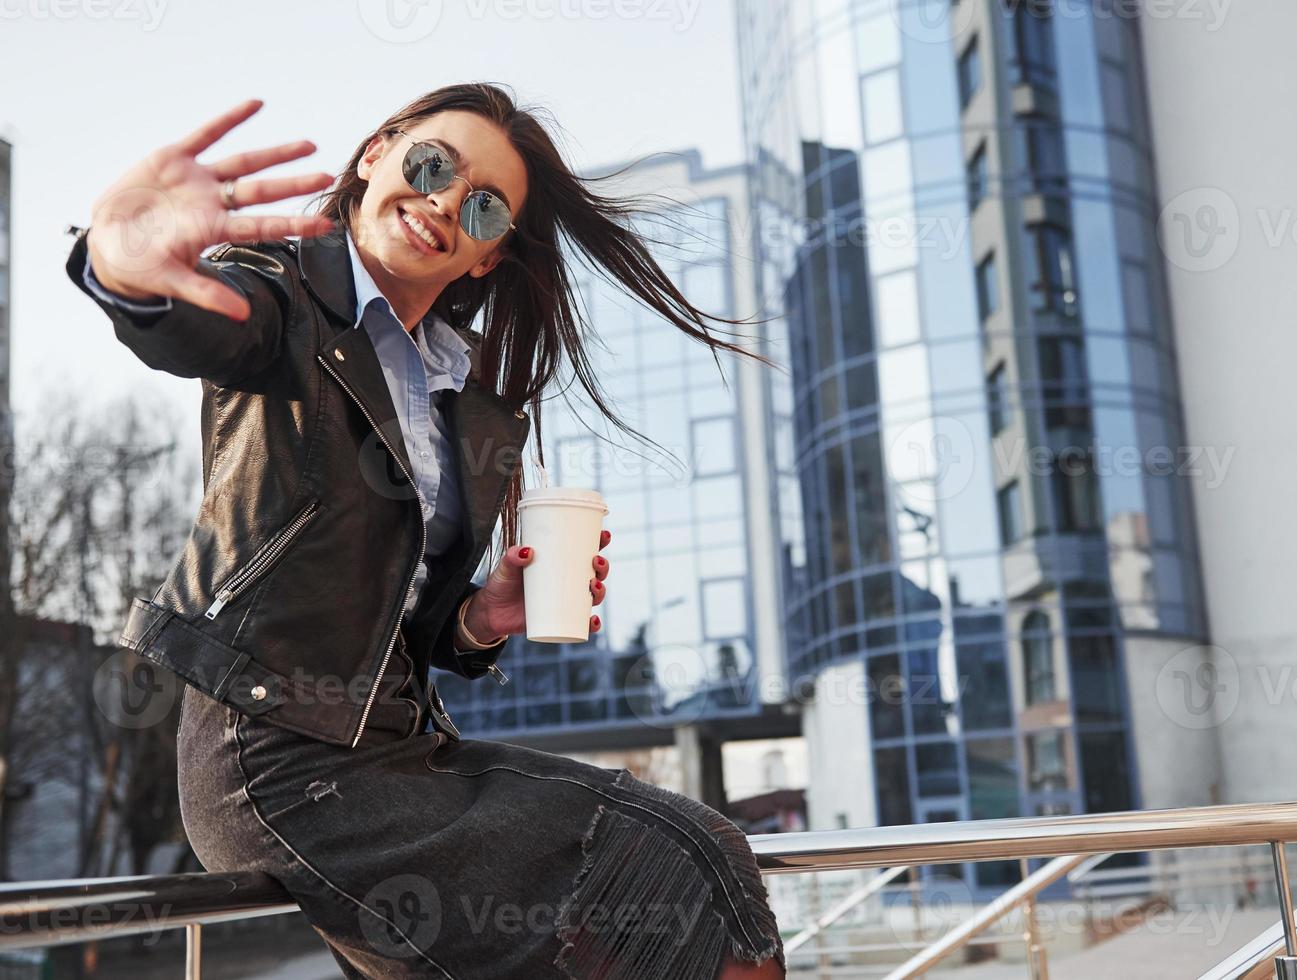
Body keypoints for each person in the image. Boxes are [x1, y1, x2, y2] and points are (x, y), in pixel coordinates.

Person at [67, 84, 786, 979]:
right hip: (276, 759)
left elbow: (389, 612)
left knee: (684, 886)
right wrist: (125, 263)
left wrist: (477, 618)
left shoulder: (464, 399)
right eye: (433, 165)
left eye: (484, 206)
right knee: (684, 864)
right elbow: (200, 327)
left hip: (406, 752)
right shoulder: (290, 303)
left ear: (488, 258)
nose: (445, 200)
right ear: (377, 154)